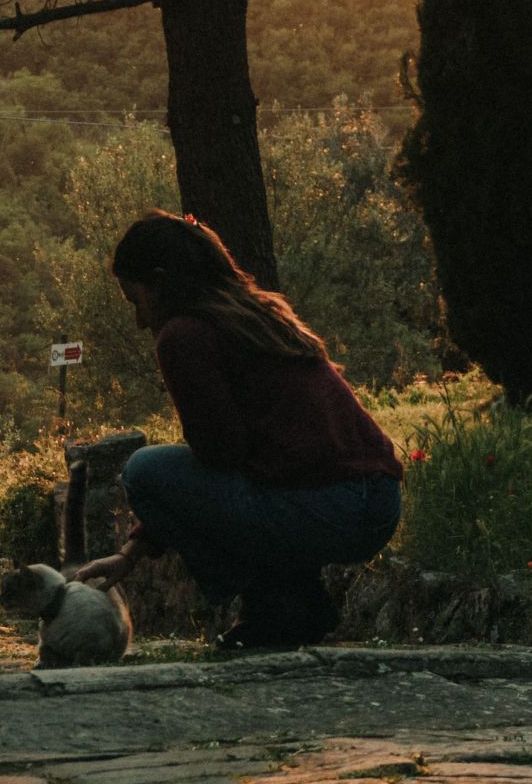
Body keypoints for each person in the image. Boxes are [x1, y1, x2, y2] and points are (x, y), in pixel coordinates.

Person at [73, 211, 403, 648]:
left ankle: (279, 605)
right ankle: (290, 601)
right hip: (376, 502)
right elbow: (239, 473)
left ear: (160, 281)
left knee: (144, 470)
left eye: (137, 301)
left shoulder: (184, 335)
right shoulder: (258, 314)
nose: (139, 322)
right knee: (194, 477)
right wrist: (133, 550)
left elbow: (220, 457)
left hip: (332, 506)